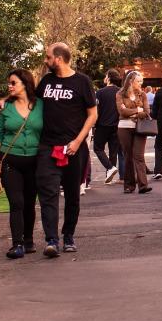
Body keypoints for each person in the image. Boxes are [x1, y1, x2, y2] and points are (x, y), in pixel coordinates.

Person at [35, 42, 97, 258]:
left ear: (58, 59)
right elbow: (31, 102)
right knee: (48, 193)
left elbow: (92, 114)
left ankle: (68, 236)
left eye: (48, 57)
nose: (46, 60)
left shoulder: (82, 81)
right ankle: (51, 239)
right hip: (47, 147)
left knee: (72, 195)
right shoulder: (46, 81)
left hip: (74, 148)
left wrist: (78, 141)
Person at [0, 69, 43, 259]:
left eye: (13, 83)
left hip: (34, 161)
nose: (9, 86)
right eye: (9, 83)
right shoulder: (5, 108)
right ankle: (17, 244)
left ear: (25, 84)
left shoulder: (40, 105)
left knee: (29, 202)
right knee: (16, 202)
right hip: (10, 161)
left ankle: (28, 240)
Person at [116, 70, 153, 195]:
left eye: (141, 81)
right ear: (131, 81)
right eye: (138, 81)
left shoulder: (143, 95)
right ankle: (129, 185)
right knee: (128, 156)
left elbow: (147, 112)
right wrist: (137, 110)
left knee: (139, 156)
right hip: (124, 128)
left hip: (140, 128)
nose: (141, 83)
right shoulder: (120, 94)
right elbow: (122, 112)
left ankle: (143, 185)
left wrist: (131, 112)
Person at [93, 70, 121, 184]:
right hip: (117, 125)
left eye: (105, 76)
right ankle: (109, 175)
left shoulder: (100, 92)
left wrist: (94, 124)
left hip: (103, 125)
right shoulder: (120, 91)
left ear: (108, 78)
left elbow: (96, 109)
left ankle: (110, 168)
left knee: (98, 148)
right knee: (113, 151)